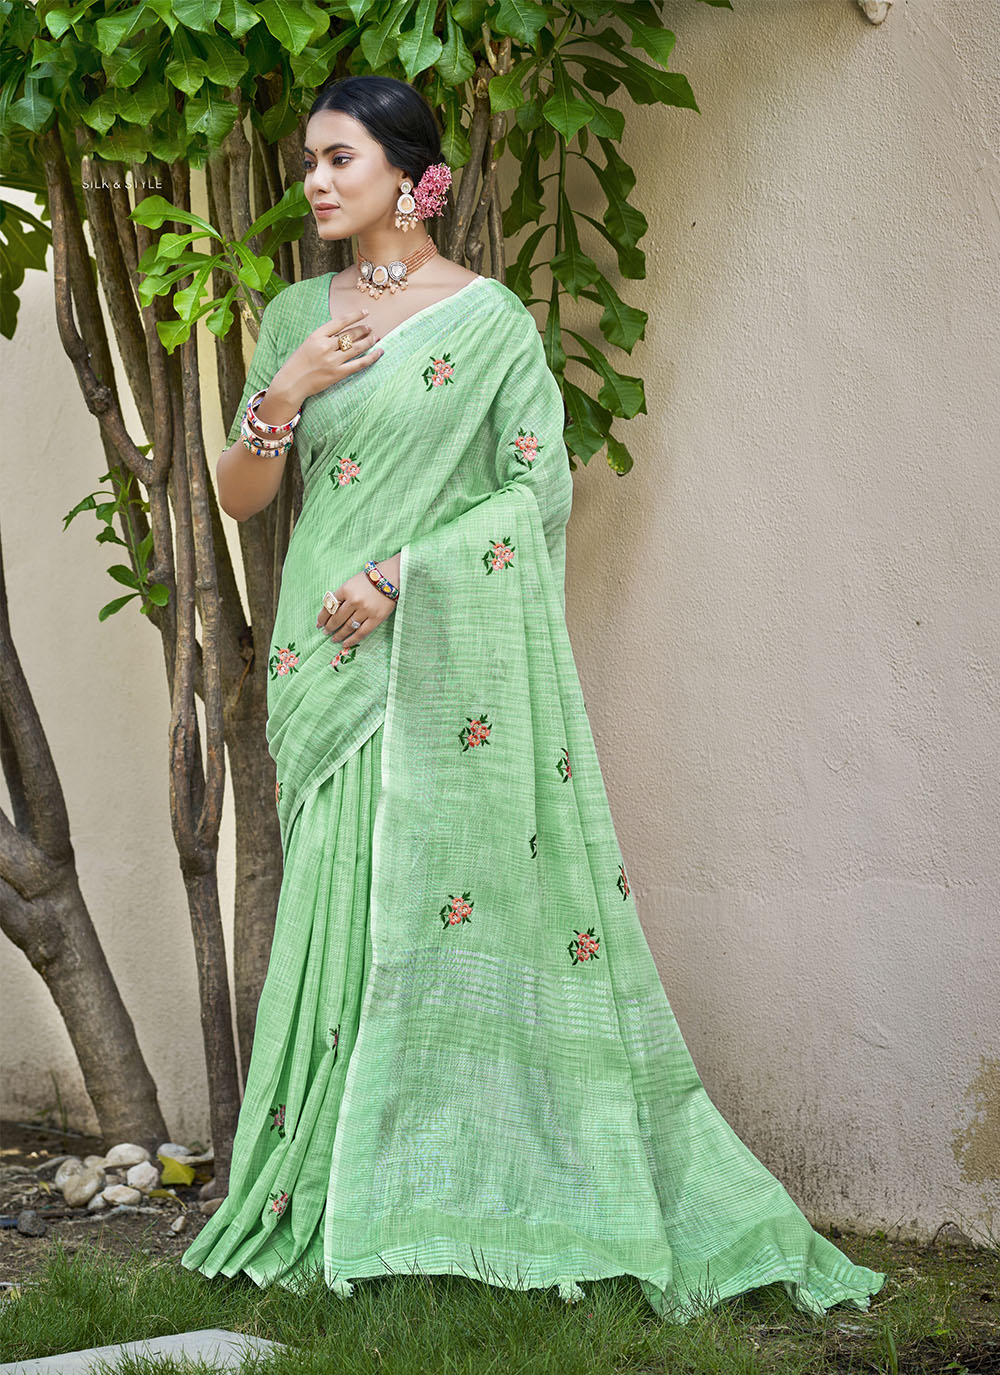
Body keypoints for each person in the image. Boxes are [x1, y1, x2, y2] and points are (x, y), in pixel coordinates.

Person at [180, 73, 887, 1324]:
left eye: (340, 159)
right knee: (336, 911)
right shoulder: (297, 313)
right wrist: (284, 390)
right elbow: (242, 495)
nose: (316, 181)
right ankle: (327, 1193)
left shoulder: (490, 322)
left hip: (423, 647)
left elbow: (534, 491)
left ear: (413, 179)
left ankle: (447, 1192)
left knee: (435, 910)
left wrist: (405, 573)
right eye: (309, 161)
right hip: (317, 663)